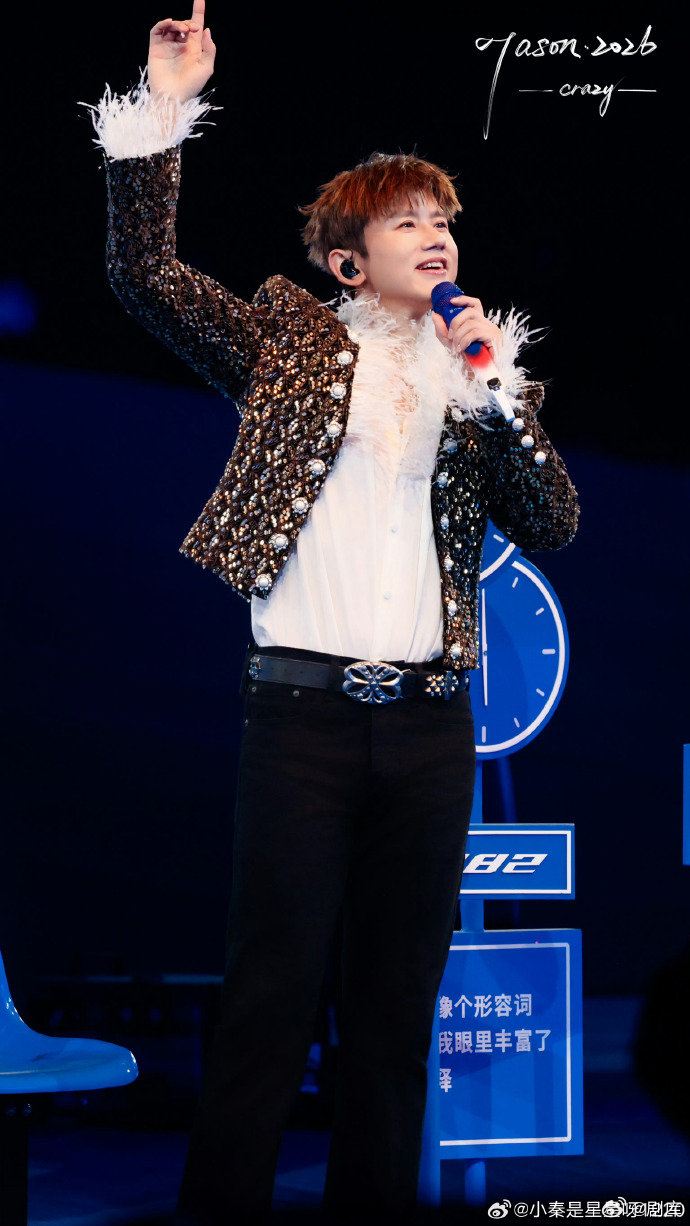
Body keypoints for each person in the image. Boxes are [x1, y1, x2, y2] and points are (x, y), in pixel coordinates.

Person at [79, 3, 579, 1221]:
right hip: (302, 718)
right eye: (408, 220)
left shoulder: (478, 382)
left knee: (396, 1014)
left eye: (445, 218)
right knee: (271, 998)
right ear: (350, 260)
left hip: (430, 725)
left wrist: (496, 386)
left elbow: (556, 518)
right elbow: (145, 277)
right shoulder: (289, 346)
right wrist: (164, 108)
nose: (437, 234)